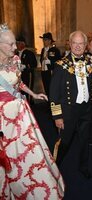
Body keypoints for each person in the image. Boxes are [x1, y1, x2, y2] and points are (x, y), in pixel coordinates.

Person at [0, 24, 64, 198]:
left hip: (20, 114)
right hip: (2, 118)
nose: (15, 48)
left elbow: (18, 84)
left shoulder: (15, 60)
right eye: (11, 44)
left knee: (24, 154)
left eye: (15, 44)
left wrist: (34, 93)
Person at [49, 31, 92, 179]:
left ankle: (83, 167)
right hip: (68, 111)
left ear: (86, 45)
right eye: (75, 43)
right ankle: (54, 168)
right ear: (70, 44)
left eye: (81, 43)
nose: (78, 46)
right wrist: (57, 116)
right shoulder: (61, 65)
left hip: (85, 110)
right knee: (64, 143)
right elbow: (53, 93)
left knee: (85, 141)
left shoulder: (90, 63)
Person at [16, 36, 37, 103]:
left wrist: (25, 66)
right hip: (19, 75)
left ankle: (29, 102)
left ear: (23, 44)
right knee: (20, 91)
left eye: (18, 43)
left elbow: (34, 64)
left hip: (27, 74)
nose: (17, 45)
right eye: (17, 43)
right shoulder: (16, 54)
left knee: (28, 89)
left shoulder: (29, 53)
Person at [39, 32, 61, 96]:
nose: (43, 41)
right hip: (44, 72)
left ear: (49, 41)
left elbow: (59, 62)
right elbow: (41, 59)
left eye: (45, 40)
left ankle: (54, 105)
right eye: (43, 40)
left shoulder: (55, 50)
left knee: (53, 90)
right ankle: (49, 104)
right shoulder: (43, 50)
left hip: (51, 72)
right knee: (47, 89)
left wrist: (49, 62)